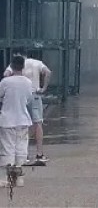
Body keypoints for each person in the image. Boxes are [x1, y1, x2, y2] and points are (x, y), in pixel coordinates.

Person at [4, 54, 51, 166]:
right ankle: (39, 154)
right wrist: (43, 88)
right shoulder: (37, 62)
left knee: (24, 124)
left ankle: (24, 155)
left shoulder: (14, 64)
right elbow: (48, 72)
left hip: (21, 96)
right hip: (35, 94)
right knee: (38, 123)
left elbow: (6, 75)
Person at [0, 55, 34, 187]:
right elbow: (29, 99)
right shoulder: (28, 82)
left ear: (12, 66)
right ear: (23, 67)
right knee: (21, 148)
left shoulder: (5, 82)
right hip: (23, 119)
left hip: (7, 119)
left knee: (7, 148)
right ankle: (19, 179)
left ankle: (6, 179)